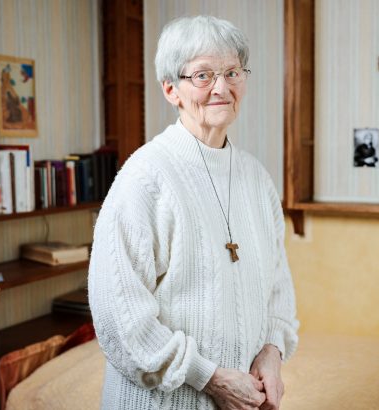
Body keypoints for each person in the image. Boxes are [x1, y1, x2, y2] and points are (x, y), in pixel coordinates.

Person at [88, 15, 299, 410]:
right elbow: (120, 322)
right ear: (171, 90)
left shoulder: (257, 178)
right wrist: (211, 378)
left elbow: (277, 288)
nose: (222, 88)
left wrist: (272, 352)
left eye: (232, 72)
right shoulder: (144, 178)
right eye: (203, 75)